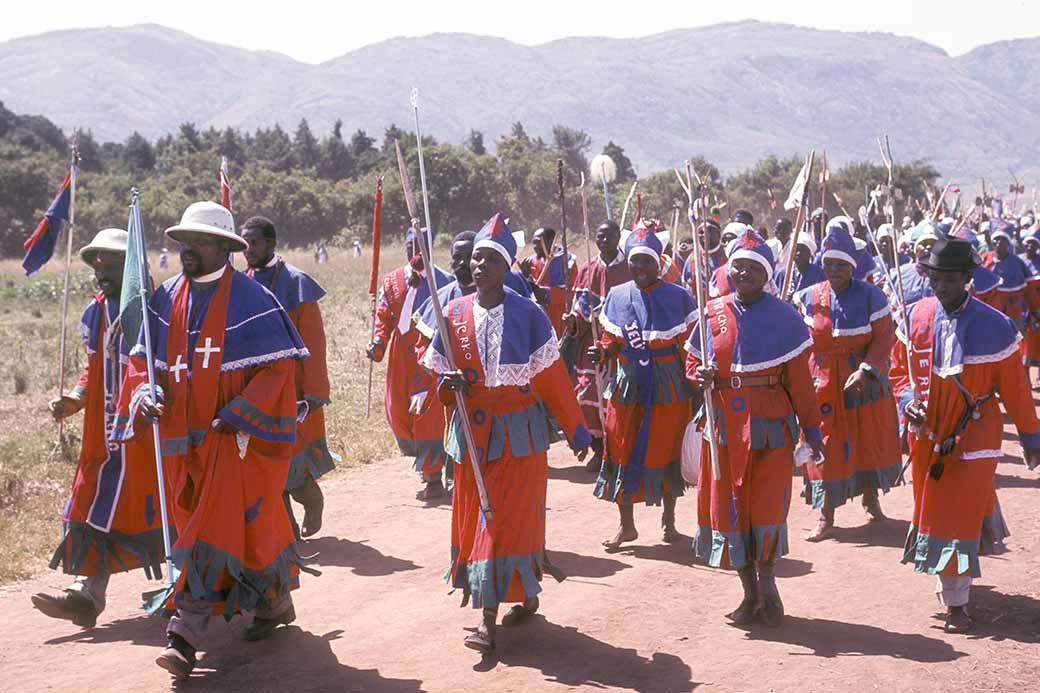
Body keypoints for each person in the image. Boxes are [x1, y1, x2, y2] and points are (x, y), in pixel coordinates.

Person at [112, 201, 313, 678]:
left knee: (208, 534)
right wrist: (145, 394)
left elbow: (279, 369)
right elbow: (143, 361)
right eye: (183, 241)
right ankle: (274, 602)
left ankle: (184, 635)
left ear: (224, 248)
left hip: (232, 440)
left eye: (199, 242)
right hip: (180, 445)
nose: (187, 250)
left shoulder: (252, 298)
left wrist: (239, 414)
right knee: (240, 530)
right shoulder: (163, 300)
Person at [423, 213, 590, 654]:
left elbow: (553, 378)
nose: (478, 267)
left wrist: (577, 430)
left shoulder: (529, 314)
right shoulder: (452, 313)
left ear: (506, 267)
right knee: (481, 517)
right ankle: (524, 592)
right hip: (472, 435)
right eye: (475, 260)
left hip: (518, 433)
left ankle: (487, 622)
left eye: (489, 260)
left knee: (506, 520)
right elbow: (441, 384)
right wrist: (449, 386)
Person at [891, 236, 1040, 633]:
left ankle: (957, 604)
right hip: (926, 433)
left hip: (974, 431)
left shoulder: (995, 326)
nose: (941, 286)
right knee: (938, 506)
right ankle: (954, 578)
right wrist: (907, 398)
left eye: (951, 278)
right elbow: (899, 371)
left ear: (968, 278)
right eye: (935, 277)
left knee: (954, 512)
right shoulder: (915, 317)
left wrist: (1030, 436)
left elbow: (1016, 390)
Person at [31, 228, 171, 629]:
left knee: (161, 509)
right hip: (104, 434)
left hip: (147, 431)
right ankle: (87, 595)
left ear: (130, 270)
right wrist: (74, 399)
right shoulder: (96, 311)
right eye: (97, 266)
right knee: (94, 506)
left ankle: (200, 589)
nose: (101, 274)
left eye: (110, 266)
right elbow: (93, 368)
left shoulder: (154, 309)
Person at [686, 227, 825, 627]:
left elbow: (800, 384)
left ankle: (769, 587)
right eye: (738, 268)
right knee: (730, 509)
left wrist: (812, 432)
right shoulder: (712, 311)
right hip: (723, 423)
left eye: (752, 269)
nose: (744, 275)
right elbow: (692, 363)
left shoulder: (786, 318)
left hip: (770, 425)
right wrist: (702, 375)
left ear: (766, 275)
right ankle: (748, 594)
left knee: (765, 508)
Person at [590, 224, 697, 549]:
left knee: (667, 448)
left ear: (659, 263)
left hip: (668, 386)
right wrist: (603, 349)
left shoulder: (679, 297)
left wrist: (695, 381)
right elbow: (610, 338)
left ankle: (669, 523)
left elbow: (689, 346)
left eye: (646, 261)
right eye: (635, 261)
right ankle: (627, 526)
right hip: (627, 384)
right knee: (622, 447)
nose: (639, 268)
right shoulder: (618, 295)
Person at [793, 224, 902, 542]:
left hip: (864, 380)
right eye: (829, 264)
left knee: (867, 439)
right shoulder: (809, 297)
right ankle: (826, 514)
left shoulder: (871, 295)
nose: (834, 270)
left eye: (841, 264)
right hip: (823, 381)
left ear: (852, 267)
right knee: (823, 444)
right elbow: (800, 342)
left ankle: (871, 500)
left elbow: (884, 338)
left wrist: (868, 370)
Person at [239, 216, 337, 539]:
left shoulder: (296, 281)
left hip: (293, 386)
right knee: (262, 460)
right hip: (256, 385)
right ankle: (286, 531)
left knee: (291, 459)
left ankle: (311, 498)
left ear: (270, 244)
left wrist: (313, 391)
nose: (248, 249)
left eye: (254, 243)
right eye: (244, 243)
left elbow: (314, 342)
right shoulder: (243, 282)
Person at [366, 227, 453, 500]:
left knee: (428, 415)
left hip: (430, 356)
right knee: (399, 412)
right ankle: (428, 463)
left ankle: (433, 476)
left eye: (420, 247)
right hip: (400, 358)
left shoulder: (445, 282)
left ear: (429, 248)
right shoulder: (392, 281)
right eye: (410, 247)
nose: (415, 252)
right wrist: (378, 342)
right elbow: (384, 316)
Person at [564, 220, 631, 472]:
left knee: (617, 399)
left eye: (609, 236)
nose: (604, 241)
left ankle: (617, 451)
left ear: (617, 238)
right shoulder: (587, 269)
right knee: (586, 396)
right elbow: (579, 310)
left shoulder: (629, 268)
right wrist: (574, 321)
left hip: (621, 346)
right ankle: (599, 449)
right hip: (590, 345)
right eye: (599, 236)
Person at [520, 226, 577, 336]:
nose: (535, 247)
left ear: (551, 241)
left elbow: (571, 292)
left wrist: (546, 293)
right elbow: (528, 290)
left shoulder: (567, 262)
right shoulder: (532, 261)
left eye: (538, 242)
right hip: (539, 316)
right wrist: (524, 276)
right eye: (533, 243)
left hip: (560, 316)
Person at [986, 221, 1037, 334]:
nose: (998, 242)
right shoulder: (985, 260)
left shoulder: (1017, 262)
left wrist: (1034, 313)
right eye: (996, 239)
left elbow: (1029, 290)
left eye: (1003, 239)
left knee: (1015, 345)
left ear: (1008, 243)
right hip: (990, 312)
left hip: (1013, 311)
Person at [1019, 231, 1040, 385]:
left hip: (1037, 307)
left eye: (1033, 243)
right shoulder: (1018, 261)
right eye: (1027, 242)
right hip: (1021, 308)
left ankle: (1038, 376)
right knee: (1023, 343)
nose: (1029, 245)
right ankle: (1024, 376)